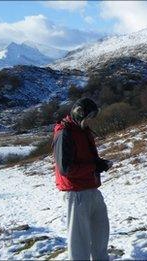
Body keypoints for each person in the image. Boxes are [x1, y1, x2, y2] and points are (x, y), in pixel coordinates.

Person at [52, 97, 113, 260]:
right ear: (79, 114)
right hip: (76, 193)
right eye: (89, 117)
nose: (90, 121)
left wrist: (99, 163)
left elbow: (85, 158)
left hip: (91, 188)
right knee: (79, 242)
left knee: (101, 234)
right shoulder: (65, 133)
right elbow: (66, 169)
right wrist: (94, 166)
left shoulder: (81, 130)